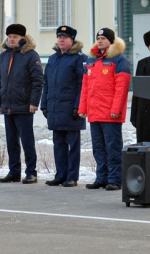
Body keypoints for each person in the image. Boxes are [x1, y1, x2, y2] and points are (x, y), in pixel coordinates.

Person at [78, 28, 131, 190]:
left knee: (112, 148)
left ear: (111, 41)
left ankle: (115, 180)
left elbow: (121, 88)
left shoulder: (119, 60)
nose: (100, 41)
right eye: (98, 38)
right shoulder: (92, 60)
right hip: (94, 113)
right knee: (98, 148)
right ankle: (102, 178)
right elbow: (86, 87)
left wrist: (116, 110)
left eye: (103, 38)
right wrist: (82, 108)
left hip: (110, 114)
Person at [0, 24, 44, 184]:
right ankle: (14, 171)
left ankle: (31, 172)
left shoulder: (30, 55)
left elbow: (37, 81)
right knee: (11, 141)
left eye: (15, 37)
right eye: (9, 36)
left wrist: (34, 102)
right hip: (8, 105)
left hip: (24, 105)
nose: (11, 39)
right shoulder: (3, 57)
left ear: (22, 38)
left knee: (27, 140)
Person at [40, 25, 87, 187]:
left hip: (71, 109)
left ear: (72, 40)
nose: (61, 40)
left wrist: (78, 107)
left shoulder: (79, 58)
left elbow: (83, 84)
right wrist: (44, 104)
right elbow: (46, 84)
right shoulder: (53, 59)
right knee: (58, 144)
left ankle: (72, 176)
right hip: (55, 108)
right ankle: (60, 174)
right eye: (59, 37)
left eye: (64, 37)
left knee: (73, 145)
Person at [130, 30, 150, 142]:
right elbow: (138, 89)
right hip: (144, 113)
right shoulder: (142, 63)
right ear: (148, 47)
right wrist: (134, 115)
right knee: (145, 146)